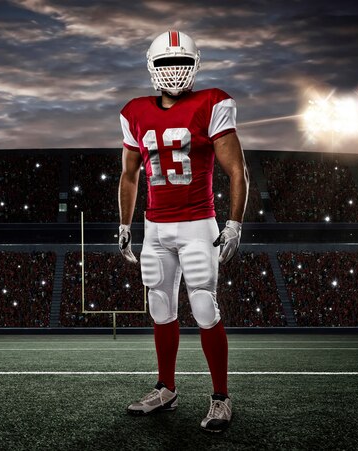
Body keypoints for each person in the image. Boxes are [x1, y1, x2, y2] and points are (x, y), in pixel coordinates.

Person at [117, 30, 248, 433]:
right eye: (165, 64)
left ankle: (221, 398)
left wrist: (234, 222)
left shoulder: (212, 103)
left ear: (196, 65)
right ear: (151, 67)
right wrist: (124, 223)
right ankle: (166, 389)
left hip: (197, 223)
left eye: (182, 64)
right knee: (160, 305)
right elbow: (129, 174)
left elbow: (237, 171)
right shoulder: (134, 111)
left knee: (205, 307)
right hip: (155, 227)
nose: (174, 73)